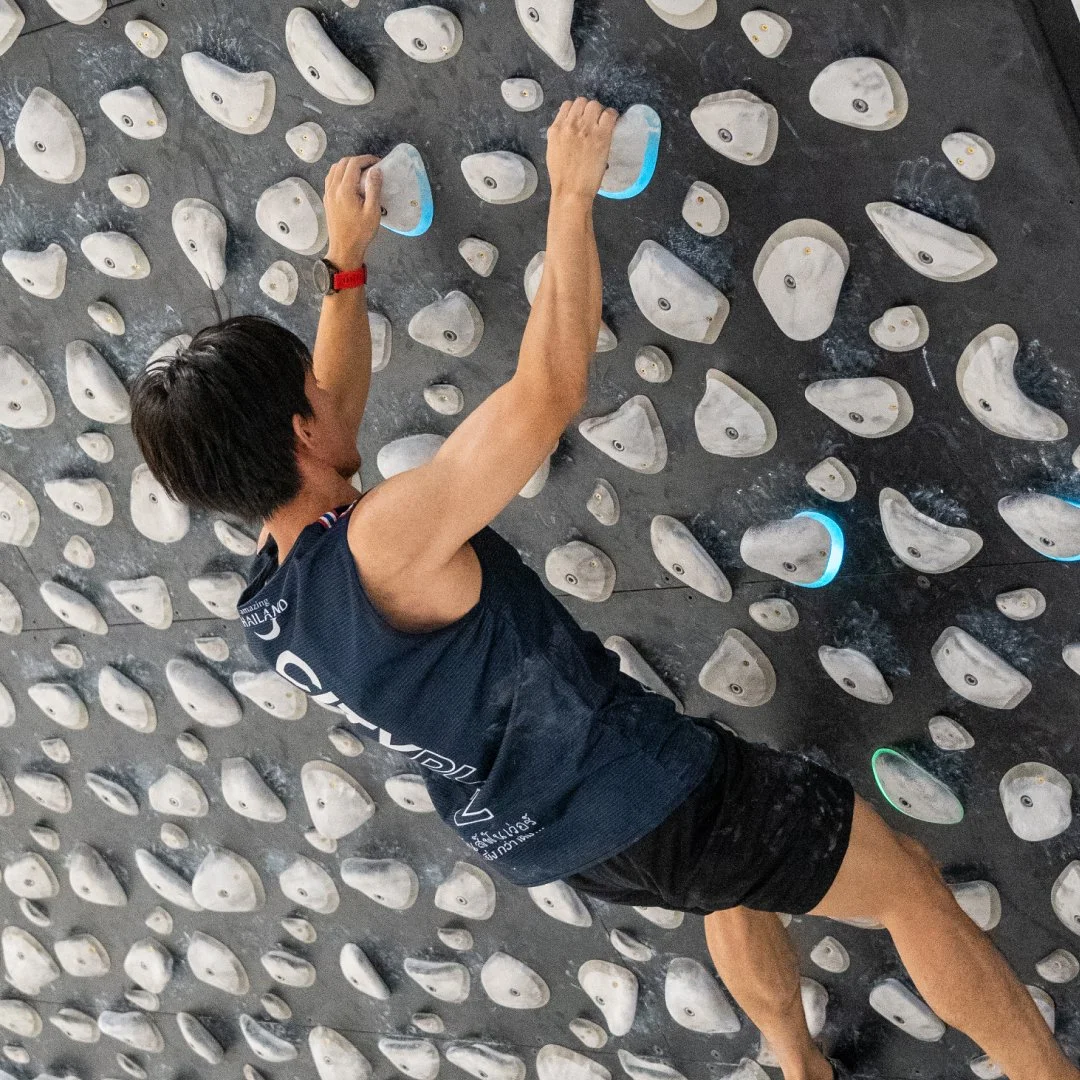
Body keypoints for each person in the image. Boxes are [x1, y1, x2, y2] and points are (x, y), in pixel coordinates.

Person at [130, 99, 1077, 1080]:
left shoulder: (274, 596)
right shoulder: (386, 539)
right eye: (313, 398)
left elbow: (328, 420)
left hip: (553, 837)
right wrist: (572, 194)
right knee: (907, 887)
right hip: (640, 788)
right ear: (298, 431)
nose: (333, 395)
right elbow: (547, 394)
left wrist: (346, 266)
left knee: (726, 883)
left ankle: (801, 1067)